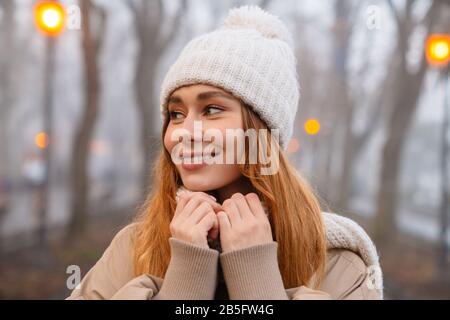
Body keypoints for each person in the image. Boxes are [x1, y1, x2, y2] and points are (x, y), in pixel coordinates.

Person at [67, 5, 383, 300]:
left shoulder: (338, 265)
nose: (184, 133)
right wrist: (187, 273)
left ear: (262, 131)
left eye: (212, 109)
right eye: (176, 114)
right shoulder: (135, 248)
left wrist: (254, 272)